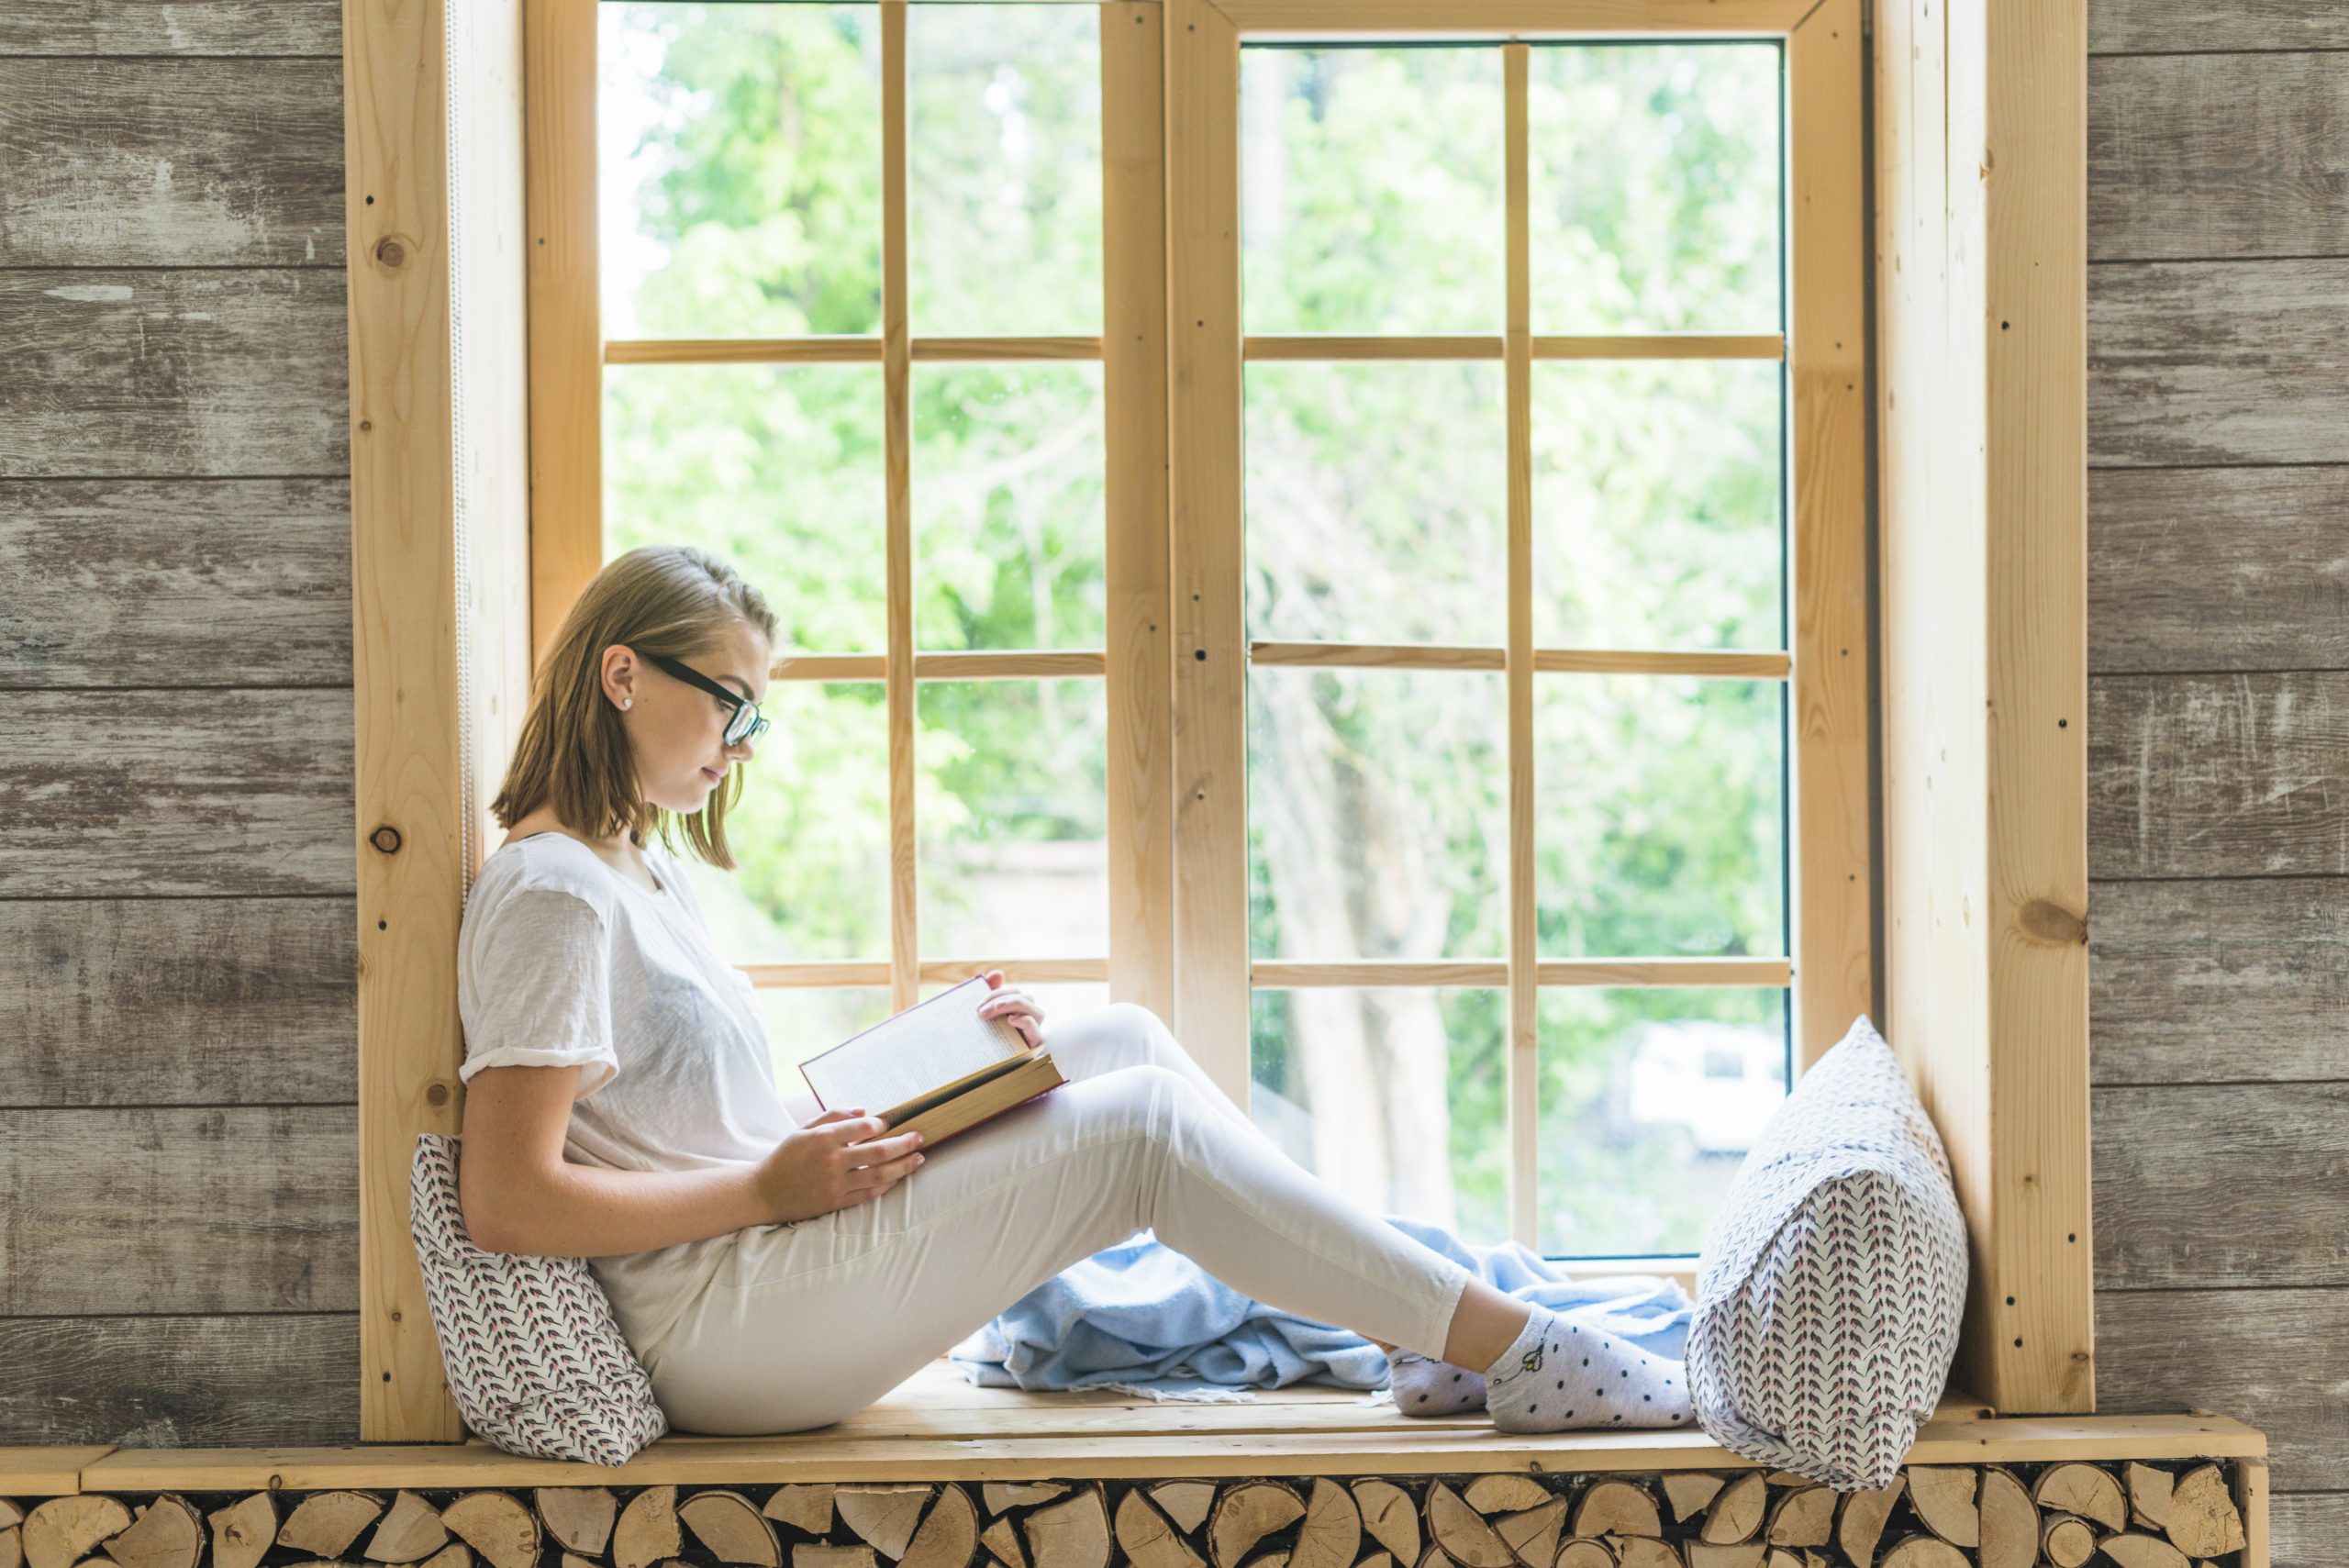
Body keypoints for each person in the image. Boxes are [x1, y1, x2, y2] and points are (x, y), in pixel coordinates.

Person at [455, 542, 1695, 1436]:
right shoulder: (553, 892)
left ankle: (1405, 1327)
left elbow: (700, 1113)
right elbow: (508, 1198)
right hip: (721, 1330)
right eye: (730, 703)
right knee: (1140, 1131)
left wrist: (950, 1068)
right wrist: (772, 1185)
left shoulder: (638, 870)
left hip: (771, 1248)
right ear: (623, 675)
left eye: (756, 718)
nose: (740, 745)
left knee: (1116, 1041)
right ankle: (1511, 1349)